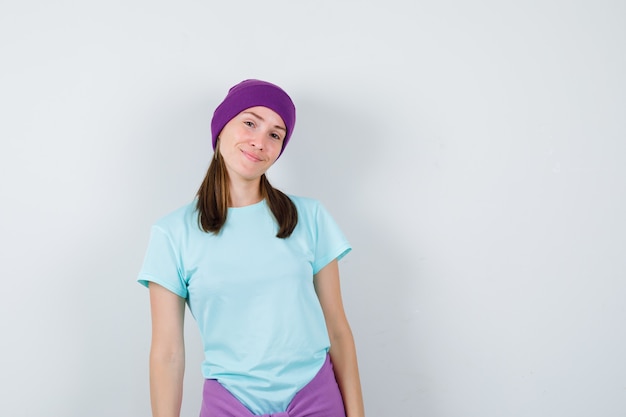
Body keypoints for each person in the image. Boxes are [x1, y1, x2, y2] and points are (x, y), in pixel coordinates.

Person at [138, 79, 365, 417]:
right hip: (230, 404)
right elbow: (168, 353)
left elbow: (337, 329)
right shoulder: (172, 234)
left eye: (275, 134)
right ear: (221, 128)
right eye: (250, 122)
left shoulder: (310, 217)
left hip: (316, 399)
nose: (260, 142)